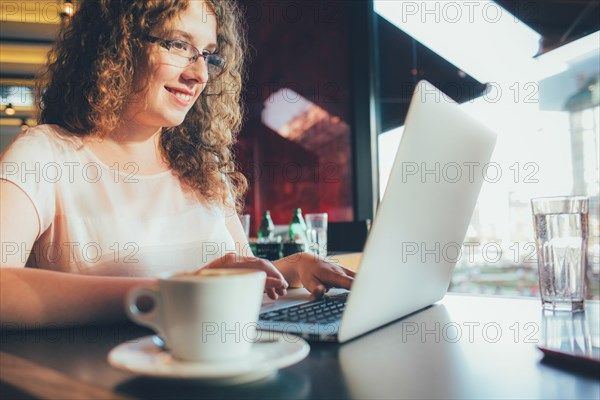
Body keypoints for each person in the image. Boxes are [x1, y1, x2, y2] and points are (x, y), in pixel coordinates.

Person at [0, 0, 354, 328]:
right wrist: (169, 292)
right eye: (178, 44)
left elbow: (233, 277)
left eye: (208, 54)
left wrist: (292, 267)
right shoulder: (44, 154)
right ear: (116, 46)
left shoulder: (203, 170)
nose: (200, 73)